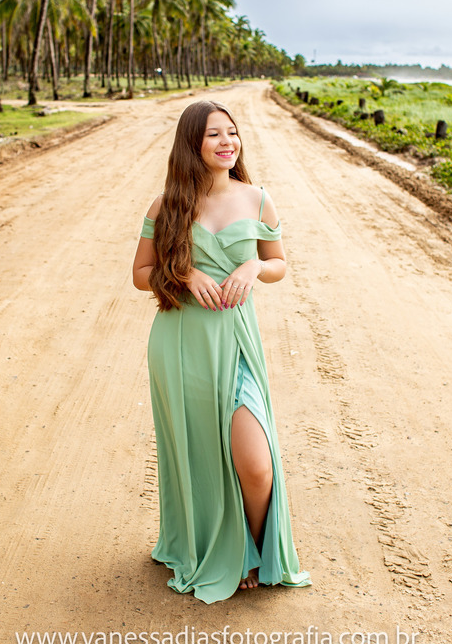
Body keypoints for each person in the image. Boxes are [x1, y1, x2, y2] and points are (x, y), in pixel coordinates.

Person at [132, 99, 311, 603]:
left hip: (236, 341)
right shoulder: (166, 206)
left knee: (256, 464)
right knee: (199, 453)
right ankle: (214, 546)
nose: (227, 142)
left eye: (232, 132)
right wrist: (184, 274)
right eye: (214, 134)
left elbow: (277, 263)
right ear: (192, 143)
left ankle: (252, 546)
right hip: (181, 343)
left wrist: (253, 267)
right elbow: (141, 274)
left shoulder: (257, 199)